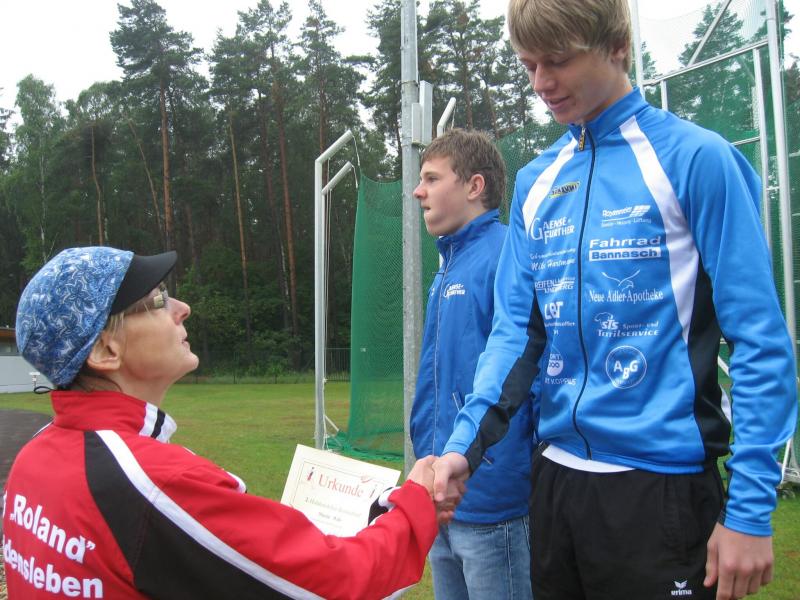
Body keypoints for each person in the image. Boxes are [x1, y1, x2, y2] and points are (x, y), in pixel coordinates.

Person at [431, 1, 798, 599]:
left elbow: (759, 340)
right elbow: (516, 335)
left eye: (558, 61)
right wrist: (461, 450)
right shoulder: (536, 182)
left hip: (661, 491)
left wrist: (751, 510)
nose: (541, 83)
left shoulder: (695, 159)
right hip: (557, 487)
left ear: (617, 46)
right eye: (528, 65)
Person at [2, 246, 441, 600]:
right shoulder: (152, 482)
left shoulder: (35, 459)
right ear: (105, 351)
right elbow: (338, 585)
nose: (182, 307)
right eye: (158, 300)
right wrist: (415, 503)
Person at [410, 128, 533, 600]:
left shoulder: (505, 255)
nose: (418, 191)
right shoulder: (449, 264)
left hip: (491, 499)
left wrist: (486, 463)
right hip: (442, 492)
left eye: (431, 178)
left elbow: (525, 373)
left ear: (474, 186)